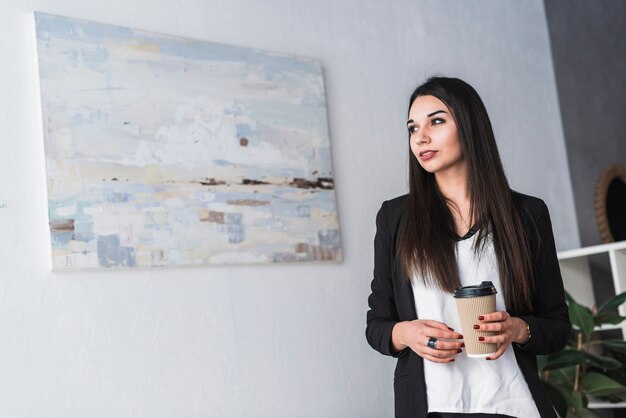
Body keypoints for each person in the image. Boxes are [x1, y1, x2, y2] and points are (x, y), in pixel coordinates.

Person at [365, 76, 570, 418]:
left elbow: (557, 325)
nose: (421, 137)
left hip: (514, 405)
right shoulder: (395, 217)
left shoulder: (527, 215)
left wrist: (518, 329)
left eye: (437, 121)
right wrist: (406, 333)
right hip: (434, 407)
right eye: (413, 128)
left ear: (470, 125)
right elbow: (377, 325)